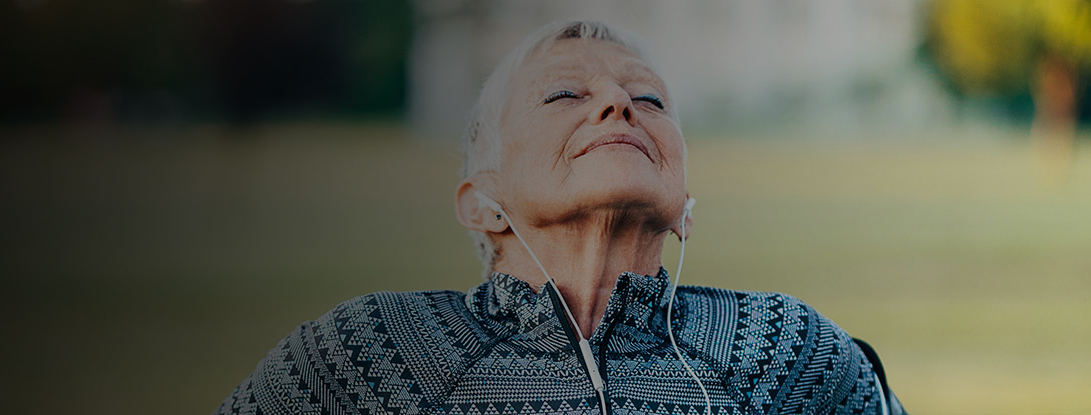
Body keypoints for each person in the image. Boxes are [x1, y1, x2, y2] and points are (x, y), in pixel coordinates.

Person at [215, 20, 906, 415]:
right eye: (563, 95)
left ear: (685, 208)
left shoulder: (785, 348)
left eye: (649, 100)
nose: (616, 103)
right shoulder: (371, 350)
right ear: (481, 202)